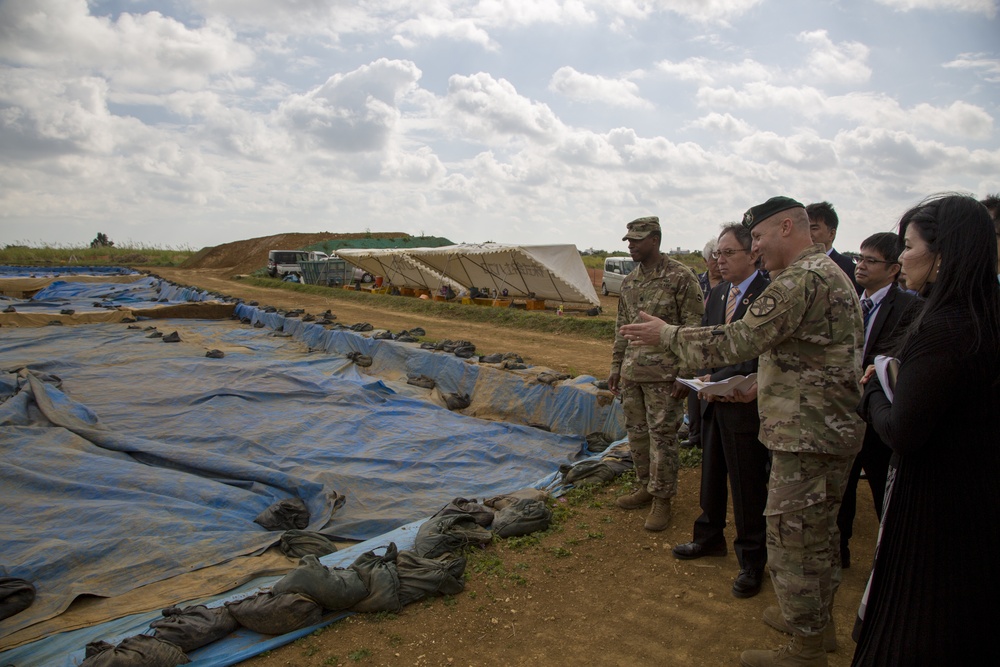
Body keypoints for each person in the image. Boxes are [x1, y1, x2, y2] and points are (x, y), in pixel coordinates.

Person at [620, 196, 864, 666]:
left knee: (795, 541)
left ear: (787, 228)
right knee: (818, 536)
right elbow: (803, 356)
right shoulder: (827, 275)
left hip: (806, 435)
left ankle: (805, 649)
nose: (755, 248)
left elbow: (741, 337)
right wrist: (757, 381)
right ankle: (816, 623)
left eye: (757, 237)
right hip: (821, 428)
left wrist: (667, 335)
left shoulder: (800, 281)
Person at [852, 195, 1000, 666]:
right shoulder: (985, 313)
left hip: (931, 509)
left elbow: (903, 431)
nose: (901, 258)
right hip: (972, 498)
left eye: (909, 246)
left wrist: (872, 389)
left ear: (943, 254)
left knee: (911, 628)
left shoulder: (945, 328)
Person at [671, 223, 771, 600]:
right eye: (718, 254)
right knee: (711, 474)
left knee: (746, 485)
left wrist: (719, 377)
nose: (720, 260)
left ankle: (751, 560)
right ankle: (708, 537)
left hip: (744, 402)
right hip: (713, 399)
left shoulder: (767, 296)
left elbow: (753, 351)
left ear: (753, 254)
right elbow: (708, 344)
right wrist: (700, 380)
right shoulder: (717, 294)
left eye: (729, 253)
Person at [608, 216, 704, 531]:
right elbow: (622, 327)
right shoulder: (630, 281)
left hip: (665, 375)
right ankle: (644, 486)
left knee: (663, 437)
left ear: (656, 239)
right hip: (633, 373)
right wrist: (616, 366)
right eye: (629, 239)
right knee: (636, 432)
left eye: (638, 239)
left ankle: (663, 498)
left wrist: (686, 374)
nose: (631, 244)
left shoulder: (681, 277)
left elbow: (694, 328)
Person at [835, 232, 921, 570]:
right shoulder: (850, 299)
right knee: (842, 490)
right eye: (859, 258)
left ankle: (890, 562)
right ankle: (838, 552)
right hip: (844, 413)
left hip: (880, 414)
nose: (861, 266)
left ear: (894, 269)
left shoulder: (910, 307)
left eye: (871, 260)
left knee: (885, 493)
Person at [807, 201, 861, 294]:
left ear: (831, 233)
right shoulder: (795, 263)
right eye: (805, 228)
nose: (808, 233)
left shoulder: (847, 267)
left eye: (814, 228)